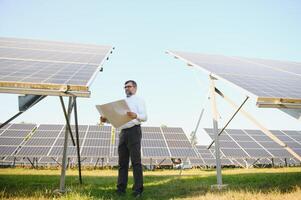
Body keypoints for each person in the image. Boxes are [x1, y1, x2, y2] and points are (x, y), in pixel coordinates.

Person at [100, 80, 147, 198]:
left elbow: (145, 116)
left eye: (129, 86)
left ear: (135, 88)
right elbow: (117, 119)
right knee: (122, 163)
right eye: (125, 87)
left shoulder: (139, 100)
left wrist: (136, 115)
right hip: (123, 132)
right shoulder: (121, 103)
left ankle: (138, 190)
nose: (127, 88)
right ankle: (121, 189)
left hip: (134, 131)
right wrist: (106, 120)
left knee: (136, 162)